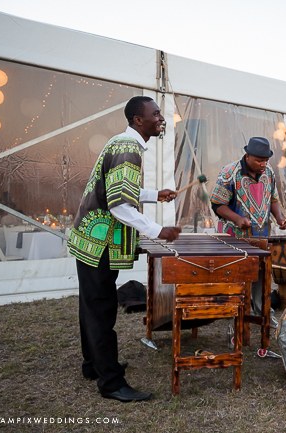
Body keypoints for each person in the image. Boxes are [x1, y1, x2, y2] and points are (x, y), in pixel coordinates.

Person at [68, 96, 182, 403]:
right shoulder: (128, 149)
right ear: (137, 120)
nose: (161, 118)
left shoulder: (123, 144)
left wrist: (153, 194)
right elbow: (119, 204)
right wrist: (159, 231)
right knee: (102, 309)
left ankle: (94, 365)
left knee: (91, 305)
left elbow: (117, 188)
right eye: (155, 114)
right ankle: (111, 383)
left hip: (91, 239)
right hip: (99, 242)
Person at [210, 137, 286, 326]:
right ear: (247, 156)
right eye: (259, 160)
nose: (263, 164)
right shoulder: (229, 173)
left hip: (260, 235)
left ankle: (262, 311)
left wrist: (278, 217)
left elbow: (273, 200)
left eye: (266, 160)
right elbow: (217, 204)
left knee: (262, 274)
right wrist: (237, 218)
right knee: (236, 275)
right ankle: (234, 312)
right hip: (234, 237)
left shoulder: (268, 172)